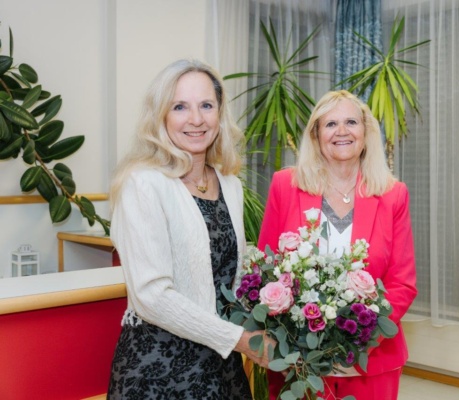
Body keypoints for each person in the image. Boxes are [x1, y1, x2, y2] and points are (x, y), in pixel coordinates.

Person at [107, 59, 274, 399]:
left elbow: (234, 278)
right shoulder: (142, 183)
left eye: (206, 106)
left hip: (221, 364)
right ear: (161, 116)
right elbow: (151, 296)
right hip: (160, 369)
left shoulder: (230, 184)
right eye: (180, 106)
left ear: (220, 114)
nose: (196, 119)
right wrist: (240, 340)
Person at [257, 90, 418, 399]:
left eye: (351, 122)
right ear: (316, 135)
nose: (342, 131)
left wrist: (354, 342)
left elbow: (402, 284)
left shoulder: (393, 194)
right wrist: (303, 341)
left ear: (366, 132)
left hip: (370, 361)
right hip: (299, 361)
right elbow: (267, 271)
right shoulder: (285, 186)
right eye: (331, 124)